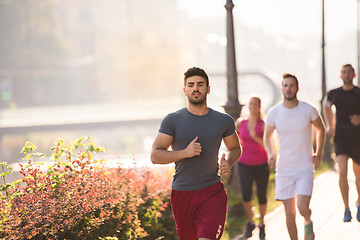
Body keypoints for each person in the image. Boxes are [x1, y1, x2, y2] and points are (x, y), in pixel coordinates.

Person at [150, 67, 241, 240]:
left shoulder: (223, 120)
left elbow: (235, 149)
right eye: (191, 85)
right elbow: (155, 155)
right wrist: (184, 153)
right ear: (185, 90)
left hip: (212, 192)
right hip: (182, 194)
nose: (195, 88)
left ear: (208, 89)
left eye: (200, 84)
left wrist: (228, 162)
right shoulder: (173, 120)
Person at [264, 73, 325, 240]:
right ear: (281, 88)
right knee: (289, 215)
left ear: (297, 88)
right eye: (285, 85)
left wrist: (318, 153)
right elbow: (267, 136)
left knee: (302, 207)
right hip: (283, 169)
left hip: (305, 167)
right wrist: (270, 154)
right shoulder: (274, 113)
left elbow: (321, 130)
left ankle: (307, 220)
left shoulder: (308, 110)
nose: (288, 89)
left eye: (291, 85)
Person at [323, 63, 360, 222]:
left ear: (354, 75)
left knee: (358, 174)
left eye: (349, 72)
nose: (346, 75)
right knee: (342, 171)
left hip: (357, 137)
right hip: (341, 137)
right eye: (343, 72)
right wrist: (330, 125)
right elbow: (326, 107)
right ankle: (346, 208)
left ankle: (359, 202)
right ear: (340, 75)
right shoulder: (334, 93)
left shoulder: (359, 92)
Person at [235, 97, 269, 239]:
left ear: (260, 106)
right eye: (251, 104)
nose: (253, 106)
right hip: (244, 164)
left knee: (261, 195)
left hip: (261, 164)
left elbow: (268, 146)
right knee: (246, 194)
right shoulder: (240, 123)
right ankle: (251, 223)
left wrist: (255, 137)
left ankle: (261, 223)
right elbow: (236, 140)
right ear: (248, 106)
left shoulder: (263, 125)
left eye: (256, 104)